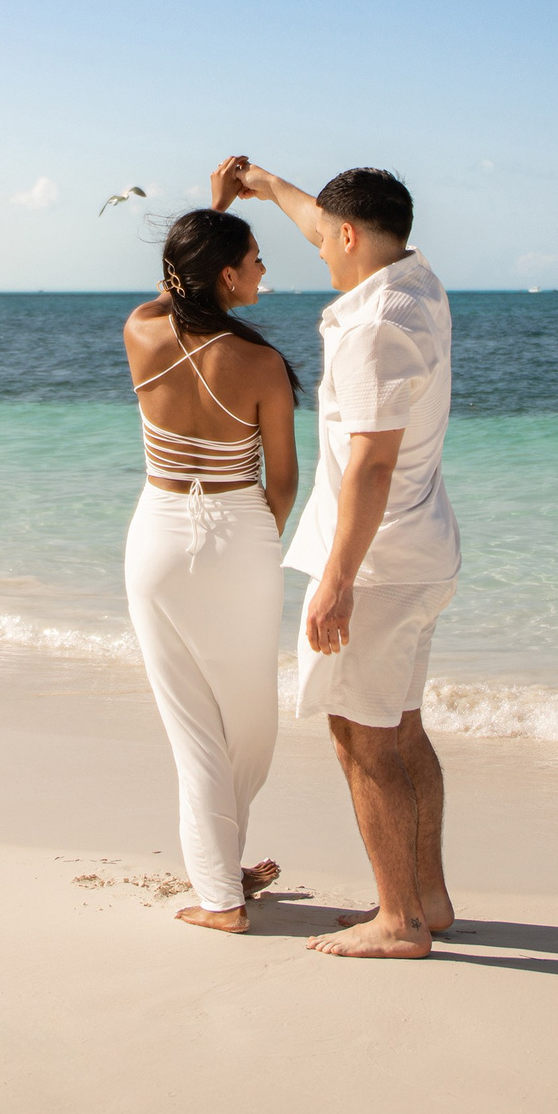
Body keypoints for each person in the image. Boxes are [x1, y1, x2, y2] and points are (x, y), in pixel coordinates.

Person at [221, 158, 459, 959]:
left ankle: (399, 920)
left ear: (352, 236)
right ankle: (427, 897)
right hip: (421, 551)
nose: (319, 250)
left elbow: (372, 466)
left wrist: (335, 582)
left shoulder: (373, 328)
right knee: (401, 731)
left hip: (379, 564)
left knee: (362, 740)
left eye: (328, 239)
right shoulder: (416, 282)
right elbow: (326, 219)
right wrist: (264, 182)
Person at [120, 169, 302, 933]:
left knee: (192, 722)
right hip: (239, 533)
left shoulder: (141, 332)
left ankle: (220, 871)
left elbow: (167, 295)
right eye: (255, 258)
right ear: (226, 275)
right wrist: (250, 543)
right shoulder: (260, 364)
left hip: (157, 536)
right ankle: (222, 895)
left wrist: (216, 214)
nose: (265, 268)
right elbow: (285, 481)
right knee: (250, 717)